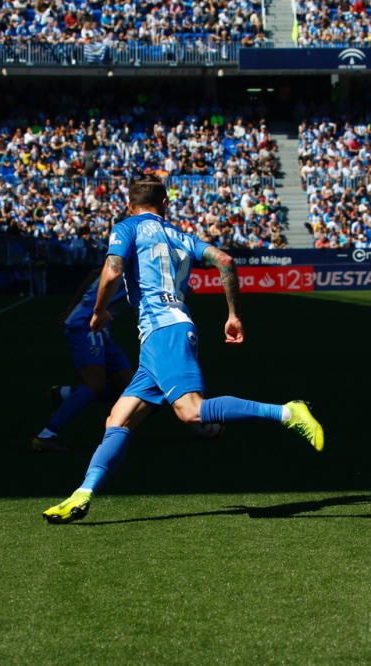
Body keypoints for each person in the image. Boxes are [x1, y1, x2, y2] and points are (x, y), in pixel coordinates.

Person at [43, 175, 325, 524]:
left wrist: (99, 310)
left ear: (131, 206)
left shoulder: (127, 227)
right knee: (117, 419)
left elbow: (112, 269)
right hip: (160, 337)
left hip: (165, 332)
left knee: (191, 412)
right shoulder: (181, 235)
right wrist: (233, 315)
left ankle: (287, 412)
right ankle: (81, 494)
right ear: (165, 205)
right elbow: (225, 260)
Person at [32, 269, 132, 452]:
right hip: (86, 324)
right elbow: (96, 274)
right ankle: (46, 435)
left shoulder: (136, 257)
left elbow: (94, 274)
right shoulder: (138, 258)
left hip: (101, 327)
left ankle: (65, 394)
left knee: (128, 388)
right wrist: (73, 307)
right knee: (95, 384)